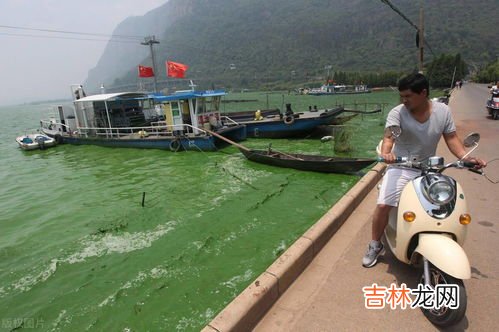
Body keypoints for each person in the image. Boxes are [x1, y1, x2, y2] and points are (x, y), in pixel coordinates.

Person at [362, 73, 486, 268]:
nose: (404, 100)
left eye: (408, 96)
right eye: (401, 96)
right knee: (384, 204)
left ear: (423, 93)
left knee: (443, 204)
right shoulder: (397, 113)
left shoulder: (443, 111)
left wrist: (466, 158)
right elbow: (388, 138)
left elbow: (452, 139)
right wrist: (387, 154)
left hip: (430, 168)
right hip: (402, 166)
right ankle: (375, 244)